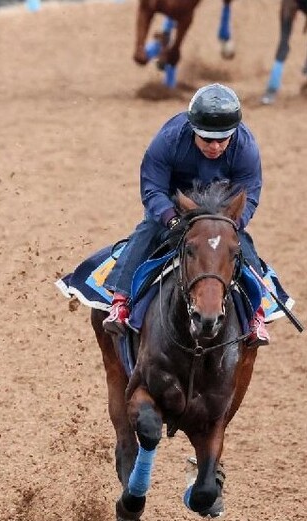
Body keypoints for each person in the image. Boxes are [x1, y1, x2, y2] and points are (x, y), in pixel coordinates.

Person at [102, 82, 270, 346]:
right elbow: (152, 187)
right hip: (174, 208)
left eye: (222, 140)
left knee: (241, 245)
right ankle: (120, 303)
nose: (214, 147)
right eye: (206, 139)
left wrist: (232, 223)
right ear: (193, 129)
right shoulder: (168, 139)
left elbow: (249, 195)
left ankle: (257, 315)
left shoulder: (246, 148)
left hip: (220, 213)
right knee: (147, 232)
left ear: (233, 134)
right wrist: (171, 218)